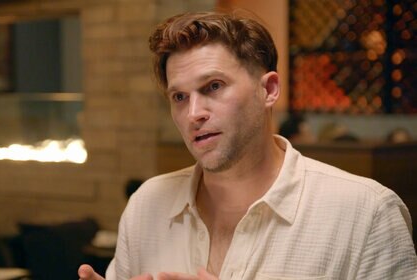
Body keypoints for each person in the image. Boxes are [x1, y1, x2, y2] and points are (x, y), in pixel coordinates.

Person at [79, 12, 417, 280]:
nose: (193, 113)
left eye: (213, 86)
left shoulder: (366, 213)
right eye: (179, 97)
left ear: (268, 89)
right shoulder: (146, 205)